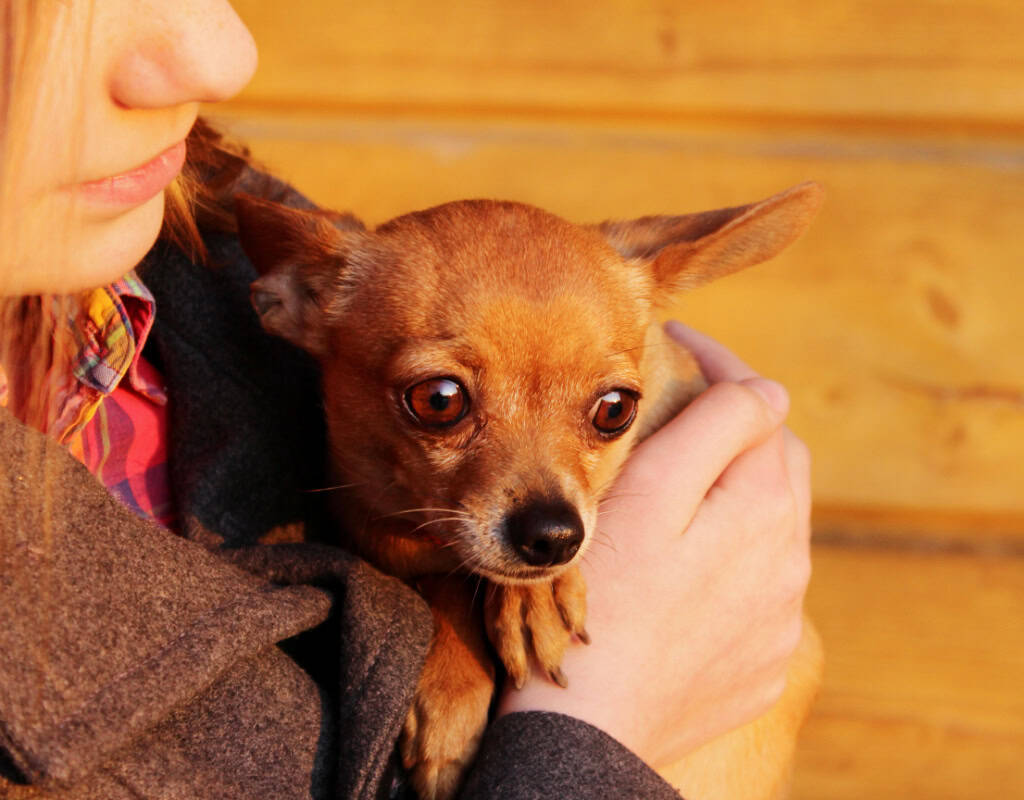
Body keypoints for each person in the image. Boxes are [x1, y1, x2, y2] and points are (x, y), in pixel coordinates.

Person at [0, 1, 813, 797]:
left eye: (607, 412)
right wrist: (599, 731)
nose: (220, 56)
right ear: (293, 294)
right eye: (444, 401)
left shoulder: (189, 270)